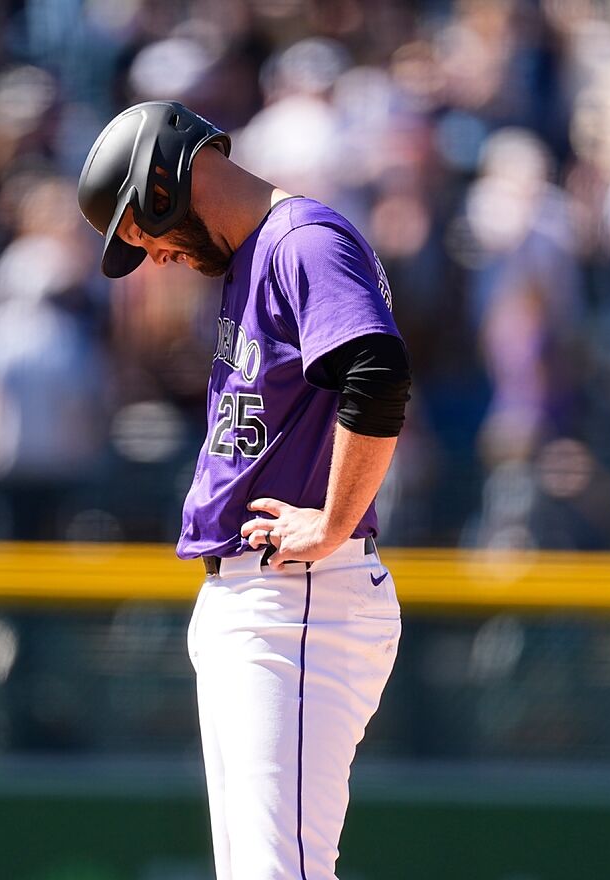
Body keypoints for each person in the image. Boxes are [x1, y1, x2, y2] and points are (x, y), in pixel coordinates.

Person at [77, 101, 411, 880]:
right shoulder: (260, 252)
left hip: (296, 598)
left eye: (143, 231)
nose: (154, 255)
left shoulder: (303, 239)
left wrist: (333, 522)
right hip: (263, 601)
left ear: (162, 182)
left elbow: (378, 371)